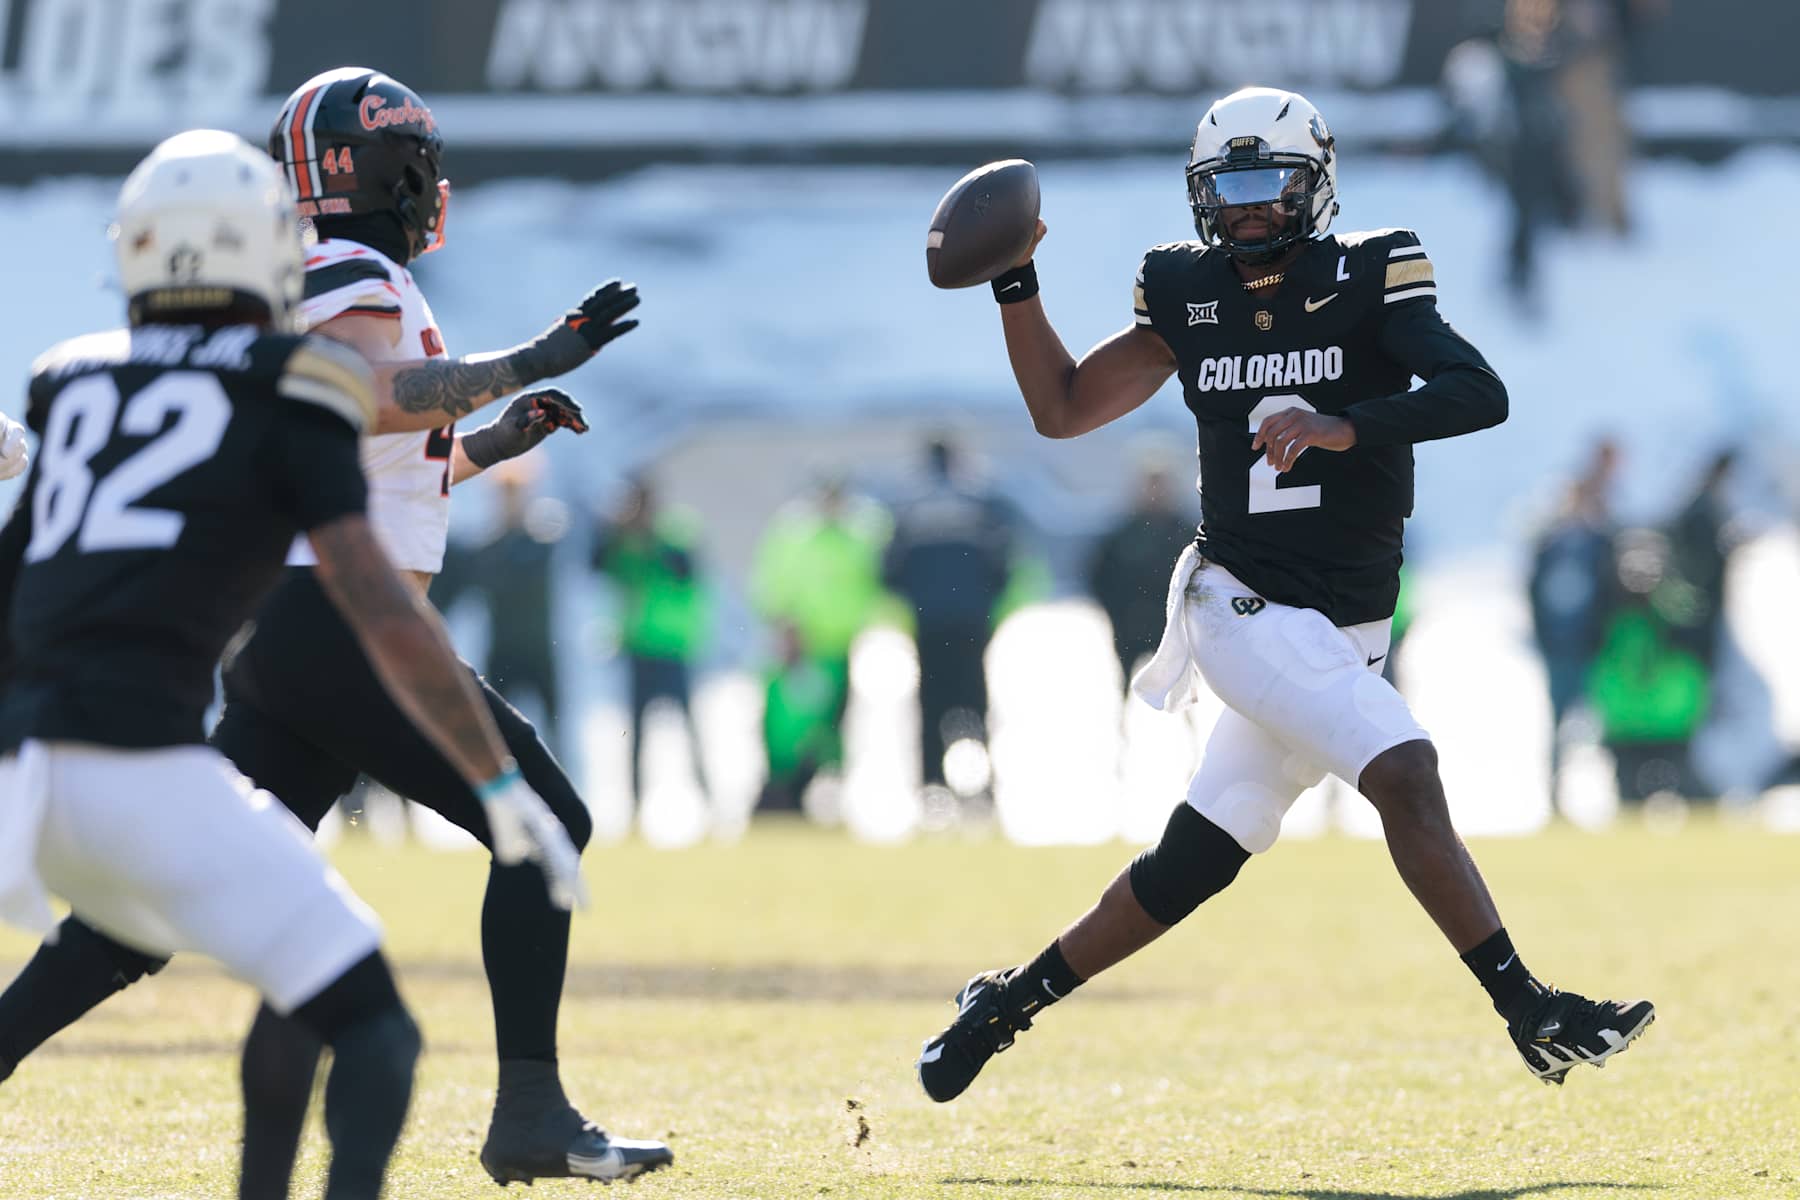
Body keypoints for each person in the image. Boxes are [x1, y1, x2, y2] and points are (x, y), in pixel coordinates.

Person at [0, 69, 674, 1187]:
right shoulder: (348, 268)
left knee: (150, 910)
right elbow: (364, 395)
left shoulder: (304, 282)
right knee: (546, 823)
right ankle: (531, 1112)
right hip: (333, 625)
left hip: (292, 638)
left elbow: (378, 459)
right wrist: (532, 359)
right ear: (386, 171)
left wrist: (498, 436)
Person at [915, 86, 1653, 1106]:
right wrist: (1016, 286)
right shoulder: (1184, 288)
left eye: (1269, 185)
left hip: (1343, 631)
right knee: (1405, 769)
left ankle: (1007, 1001)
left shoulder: (1371, 272)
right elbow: (1064, 407)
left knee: (1198, 858)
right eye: (1229, 188)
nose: (1250, 209)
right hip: (1241, 603)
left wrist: (1350, 421)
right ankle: (1530, 1009)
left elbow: (1479, 392)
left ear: (1317, 184)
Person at [882, 437, 1017, 798]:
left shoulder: (909, 506)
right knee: (974, 702)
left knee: (930, 706)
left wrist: (919, 601)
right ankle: (982, 784)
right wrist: (982, 603)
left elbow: (889, 572)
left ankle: (932, 786)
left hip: (928, 624)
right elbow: (1003, 565)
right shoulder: (979, 502)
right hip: (971, 622)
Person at [750, 475, 893, 775]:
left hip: (839, 646)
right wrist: (784, 625)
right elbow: (773, 583)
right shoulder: (795, 534)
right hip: (800, 646)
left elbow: (870, 587)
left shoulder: (859, 536)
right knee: (789, 723)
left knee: (832, 722)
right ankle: (785, 785)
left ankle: (827, 781)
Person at [591, 477, 711, 817]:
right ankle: (635, 806)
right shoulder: (624, 540)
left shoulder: (675, 532)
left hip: (673, 645)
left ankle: (708, 802)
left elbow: (685, 569)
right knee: (637, 734)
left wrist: (648, 540)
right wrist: (613, 532)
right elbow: (596, 565)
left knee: (689, 732)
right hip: (638, 645)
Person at [437, 461, 569, 756]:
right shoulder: (488, 548)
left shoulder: (540, 541)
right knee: (496, 740)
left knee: (555, 737)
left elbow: (530, 560)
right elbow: (457, 593)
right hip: (503, 652)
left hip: (539, 652)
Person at [1528, 439, 1619, 808]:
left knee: (1601, 721)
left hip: (1591, 646)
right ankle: (1555, 794)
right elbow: (1533, 592)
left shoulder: (1600, 543)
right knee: (1559, 722)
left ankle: (1607, 795)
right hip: (1560, 645)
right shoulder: (1550, 545)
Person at [1086, 461, 1198, 691]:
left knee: (1182, 688)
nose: (1155, 492)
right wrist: (1116, 610)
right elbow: (1099, 577)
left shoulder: (1187, 532)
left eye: (1160, 485)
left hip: (1173, 625)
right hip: (1129, 624)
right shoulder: (1122, 532)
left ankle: (1189, 726)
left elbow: (1203, 576)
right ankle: (1122, 724)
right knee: (1124, 685)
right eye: (1151, 485)